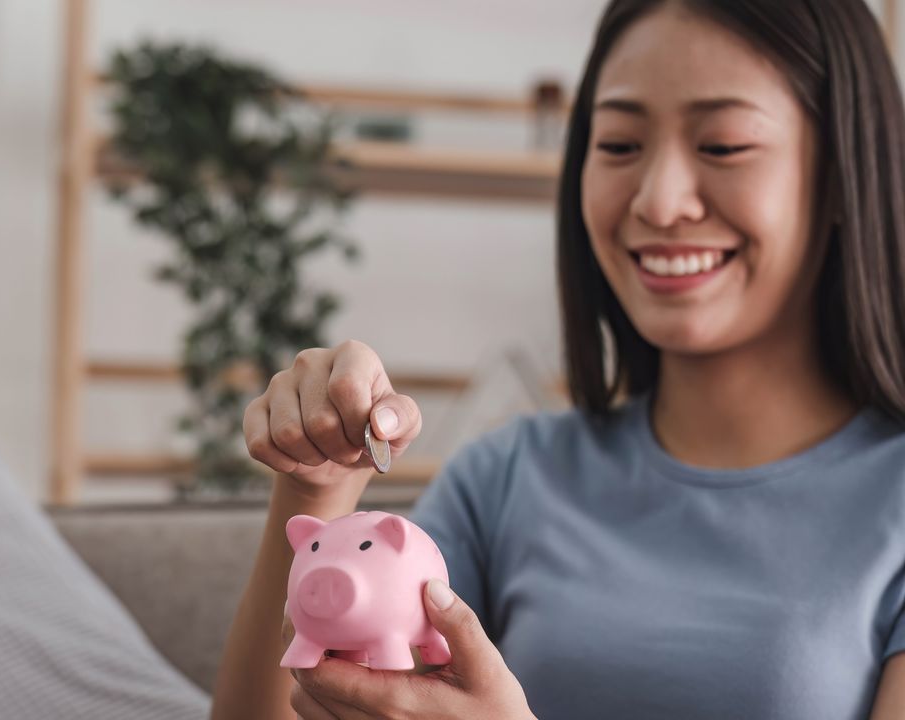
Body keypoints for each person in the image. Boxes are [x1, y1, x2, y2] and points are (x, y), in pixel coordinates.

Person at [210, 0, 905, 717]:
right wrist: (316, 490)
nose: (659, 202)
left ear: (843, 171)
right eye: (619, 145)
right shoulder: (506, 480)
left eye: (724, 145)